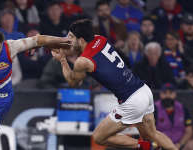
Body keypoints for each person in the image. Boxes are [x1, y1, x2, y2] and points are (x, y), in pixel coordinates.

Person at [51, 19, 177, 150]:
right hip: (143, 90)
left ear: (81, 40)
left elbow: (72, 82)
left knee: (99, 137)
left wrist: (62, 60)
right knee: (152, 134)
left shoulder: (82, 61)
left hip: (132, 101)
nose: (67, 40)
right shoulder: (100, 39)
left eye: (71, 37)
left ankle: (146, 146)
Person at [155, 83, 193, 150]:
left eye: (171, 93)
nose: (168, 96)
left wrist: (180, 144)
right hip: (161, 145)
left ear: (175, 94)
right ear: (160, 94)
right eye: (165, 93)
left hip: (180, 145)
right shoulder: (154, 109)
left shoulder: (182, 108)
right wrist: (165, 144)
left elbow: (189, 131)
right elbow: (150, 131)